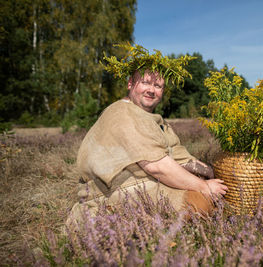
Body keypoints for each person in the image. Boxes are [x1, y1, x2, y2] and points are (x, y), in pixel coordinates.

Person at [66, 44, 227, 227]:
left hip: (145, 184)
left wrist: (211, 171)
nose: (151, 90)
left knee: (216, 191)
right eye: (145, 83)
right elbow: (157, 166)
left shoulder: (155, 121)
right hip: (117, 193)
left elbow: (178, 155)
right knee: (200, 203)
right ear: (130, 84)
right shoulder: (123, 114)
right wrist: (204, 187)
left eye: (158, 86)